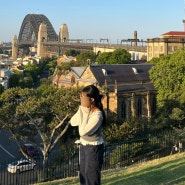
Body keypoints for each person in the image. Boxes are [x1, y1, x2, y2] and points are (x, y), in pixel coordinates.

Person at [70, 85, 106, 185]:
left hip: (94, 148)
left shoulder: (97, 115)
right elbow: (73, 122)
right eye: (81, 96)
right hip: (84, 145)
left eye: (83, 97)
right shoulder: (85, 110)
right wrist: (81, 109)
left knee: (91, 176)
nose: (81, 99)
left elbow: (83, 131)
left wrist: (84, 111)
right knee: (83, 174)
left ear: (92, 99)